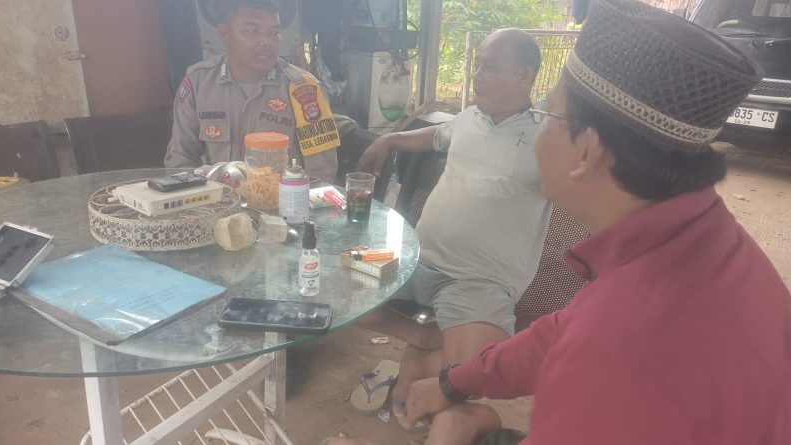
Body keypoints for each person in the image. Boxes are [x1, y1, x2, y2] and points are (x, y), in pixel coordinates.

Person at [398, 1, 791, 444]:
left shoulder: (618, 350)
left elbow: (594, 342)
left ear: (586, 152)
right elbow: (563, 331)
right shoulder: (703, 240)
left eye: (546, 114)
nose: (535, 125)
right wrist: (455, 382)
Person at [353, 28, 552, 428]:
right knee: (328, 283)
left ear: (524, 76)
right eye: (477, 64)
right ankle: (420, 337)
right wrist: (390, 139)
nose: (477, 75)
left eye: (489, 67)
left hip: (477, 281)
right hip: (414, 258)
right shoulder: (469, 118)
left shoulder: (547, 136)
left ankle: (417, 366)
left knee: (477, 371)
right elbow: (436, 135)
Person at [164, 0, 340, 184]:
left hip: (281, 200)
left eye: (274, 33)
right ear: (224, 33)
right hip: (216, 198)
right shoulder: (198, 82)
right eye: (252, 31)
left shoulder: (303, 88)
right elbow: (180, 160)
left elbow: (321, 174)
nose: (266, 42)